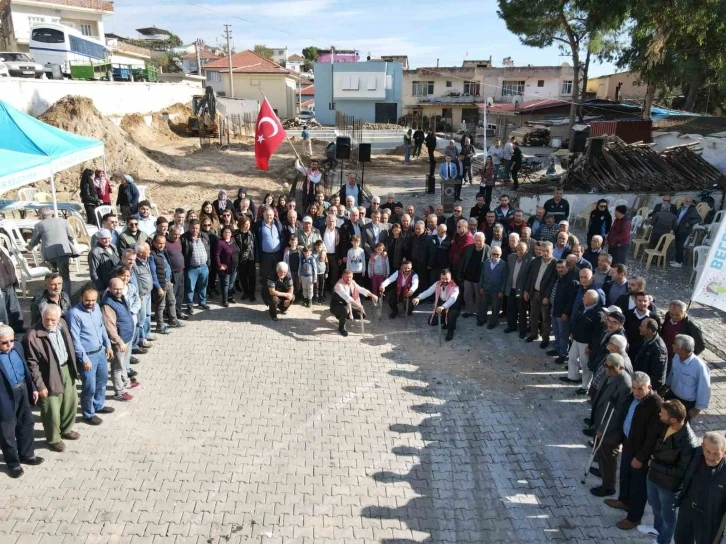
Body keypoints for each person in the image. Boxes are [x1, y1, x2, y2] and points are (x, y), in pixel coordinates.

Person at [607, 372, 663, 531]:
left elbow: (652, 437)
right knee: (625, 474)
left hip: (641, 453)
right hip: (627, 444)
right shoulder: (634, 397)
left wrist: (641, 457)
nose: (636, 392)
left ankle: (634, 517)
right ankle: (624, 500)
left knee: (639, 486)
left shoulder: (656, 405)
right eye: (634, 388)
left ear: (649, 387)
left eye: (640, 388)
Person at [639, 400, 699, 544]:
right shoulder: (665, 425)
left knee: (668, 518)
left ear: (673, 419)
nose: (659, 414)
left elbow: (680, 471)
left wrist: (653, 464)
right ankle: (657, 530)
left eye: (663, 413)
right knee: (655, 506)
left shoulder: (688, 442)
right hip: (653, 477)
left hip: (668, 486)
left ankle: (663, 541)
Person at [23, 304, 79, 453]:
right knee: (51, 410)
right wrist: (40, 386)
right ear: (41, 316)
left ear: (59, 318)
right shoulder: (32, 335)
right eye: (46, 319)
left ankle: (66, 430)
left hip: (66, 368)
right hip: (48, 374)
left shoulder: (62, 324)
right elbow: (32, 364)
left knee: (71, 402)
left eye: (53, 320)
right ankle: (53, 439)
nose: (49, 322)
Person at [67, 284, 114, 425]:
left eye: (93, 300)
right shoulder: (74, 313)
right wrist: (84, 359)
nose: (91, 303)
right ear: (81, 297)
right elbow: (75, 339)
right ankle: (88, 413)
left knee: (102, 380)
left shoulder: (97, 309)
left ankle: (98, 405)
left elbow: (102, 328)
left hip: (100, 352)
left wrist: (108, 345)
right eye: (88, 300)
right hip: (87, 356)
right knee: (89, 387)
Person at [588, 353, 633, 497]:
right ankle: (602, 470)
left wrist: (602, 428)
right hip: (600, 418)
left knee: (608, 455)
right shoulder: (609, 375)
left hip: (610, 428)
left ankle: (608, 486)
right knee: (600, 450)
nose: (607, 369)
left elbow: (618, 413)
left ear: (620, 368)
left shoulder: (624, 384)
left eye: (611, 367)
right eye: (606, 366)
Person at [0, 325, 42, 477]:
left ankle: (27, 454)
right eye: (4, 342)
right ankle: (13, 463)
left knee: (27, 422)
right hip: (4, 396)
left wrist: (33, 388)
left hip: (23, 389)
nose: (9, 345)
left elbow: (26, 369)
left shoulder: (17, 347)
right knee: (7, 432)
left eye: (11, 340)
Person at [674, 432, 726, 544]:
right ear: (702, 446)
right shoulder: (695, 454)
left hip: (708, 517)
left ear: (724, 452)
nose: (711, 457)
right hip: (687, 508)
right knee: (680, 539)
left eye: (716, 453)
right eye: (708, 451)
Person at [102, 278, 138, 402]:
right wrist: (119, 341)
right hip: (119, 341)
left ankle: (125, 383)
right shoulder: (107, 304)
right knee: (117, 367)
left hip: (126, 337)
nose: (118, 291)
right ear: (110, 289)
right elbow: (110, 327)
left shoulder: (121, 298)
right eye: (116, 289)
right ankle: (119, 392)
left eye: (120, 288)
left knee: (123, 364)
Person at [26, 207, 75, 297]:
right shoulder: (63, 221)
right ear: (52, 214)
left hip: (49, 254)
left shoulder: (39, 225)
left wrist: (28, 248)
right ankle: (67, 297)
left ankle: (54, 296)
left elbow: (34, 242)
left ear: (40, 215)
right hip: (63, 252)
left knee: (53, 277)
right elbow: (71, 237)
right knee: (65, 277)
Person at [663, 334, 710, 419]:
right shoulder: (677, 356)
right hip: (672, 396)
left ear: (682, 350)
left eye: (675, 344)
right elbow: (672, 372)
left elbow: (704, 389)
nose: (672, 345)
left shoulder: (699, 367)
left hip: (686, 403)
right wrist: (667, 385)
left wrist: (697, 408)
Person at [562, 289, 603, 386]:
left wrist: (591, 346)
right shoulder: (582, 306)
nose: (583, 298)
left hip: (586, 343)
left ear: (592, 301)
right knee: (572, 358)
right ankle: (573, 377)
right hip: (576, 339)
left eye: (585, 297)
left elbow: (596, 334)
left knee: (585, 365)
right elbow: (576, 321)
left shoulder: (597, 314)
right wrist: (572, 333)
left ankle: (585, 386)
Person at [412, 269, 460, 342]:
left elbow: (452, 299)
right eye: (442, 278)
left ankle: (451, 330)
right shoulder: (437, 284)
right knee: (431, 322)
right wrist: (418, 297)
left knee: (452, 315)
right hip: (442, 306)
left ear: (451, 278)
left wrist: (443, 307)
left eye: (447, 279)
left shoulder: (455, 287)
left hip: (453, 306)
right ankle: (445, 320)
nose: (444, 281)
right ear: (440, 278)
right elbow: (428, 291)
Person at [524, 241, 556, 348]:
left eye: (548, 251)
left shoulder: (555, 264)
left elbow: (552, 282)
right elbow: (530, 276)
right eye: (543, 250)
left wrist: (547, 297)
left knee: (545, 318)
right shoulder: (536, 260)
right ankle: (534, 334)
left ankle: (545, 338)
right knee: (533, 315)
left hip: (544, 296)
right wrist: (526, 290)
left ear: (552, 251)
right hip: (534, 293)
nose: (545, 253)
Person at [149, 234, 183, 332]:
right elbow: (153, 273)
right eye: (159, 243)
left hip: (168, 282)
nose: (162, 245)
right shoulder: (152, 255)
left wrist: (171, 280)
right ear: (154, 243)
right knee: (161, 306)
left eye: (163, 243)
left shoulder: (164, 252)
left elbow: (168, 267)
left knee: (172, 301)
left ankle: (173, 320)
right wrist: (158, 287)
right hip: (160, 284)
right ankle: (160, 326)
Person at [330, 269, 377, 336]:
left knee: (362, 314)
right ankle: (341, 327)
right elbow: (347, 297)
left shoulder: (352, 282)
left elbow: (361, 289)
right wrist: (358, 305)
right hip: (336, 305)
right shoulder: (339, 285)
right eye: (346, 277)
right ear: (342, 276)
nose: (349, 279)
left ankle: (345, 317)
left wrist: (372, 295)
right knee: (344, 310)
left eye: (350, 277)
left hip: (346, 304)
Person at [660, 300, 705, 370]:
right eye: (672, 314)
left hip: (676, 357)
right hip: (663, 352)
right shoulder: (668, 316)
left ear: (684, 312)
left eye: (677, 315)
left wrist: (686, 357)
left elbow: (700, 346)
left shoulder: (692, 326)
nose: (674, 317)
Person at [549, 259, 578, 363]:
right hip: (555, 309)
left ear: (567, 267)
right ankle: (557, 349)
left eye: (562, 267)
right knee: (556, 332)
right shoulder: (559, 277)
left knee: (563, 335)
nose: (560, 269)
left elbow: (571, 300)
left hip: (563, 313)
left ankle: (563, 354)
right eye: (558, 267)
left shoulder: (572, 281)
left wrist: (566, 312)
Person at [180, 220, 211, 315]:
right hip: (191, 268)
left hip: (204, 266)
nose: (195, 230)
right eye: (193, 228)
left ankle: (202, 302)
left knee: (203, 285)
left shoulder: (204, 236)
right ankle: (190, 304)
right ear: (189, 227)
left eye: (196, 228)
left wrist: (208, 263)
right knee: (190, 287)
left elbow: (208, 249)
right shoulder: (184, 238)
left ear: (199, 228)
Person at [504, 242, 533, 337]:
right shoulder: (511, 257)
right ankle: (511, 326)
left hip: (521, 290)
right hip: (511, 288)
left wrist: (526, 290)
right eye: (518, 249)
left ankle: (522, 329)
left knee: (522, 310)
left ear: (526, 250)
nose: (519, 251)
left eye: (522, 249)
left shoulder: (530, 259)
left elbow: (530, 277)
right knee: (511, 308)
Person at [624, 291, 661, 360]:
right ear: (635, 301)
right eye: (639, 300)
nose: (642, 303)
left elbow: (656, 336)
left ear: (649, 302)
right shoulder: (627, 314)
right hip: (628, 350)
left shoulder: (654, 318)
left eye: (645, 301)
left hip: (645, 354)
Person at [478, 246, 507, 329]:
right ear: (491, 254)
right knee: (483, 304)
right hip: (486, 288)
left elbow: (505, 278)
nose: (496, 256)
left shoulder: (503, 264)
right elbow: (482, 275)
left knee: (495, 306)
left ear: (500, 254)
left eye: (498, 254)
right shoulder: (486, 262)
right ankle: (482, 319)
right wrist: (481, 287)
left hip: (497, 290)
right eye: (494, 254)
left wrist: (502, 291)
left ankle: (493, 322)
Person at [671, 196, 701, 268]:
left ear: (691, 202)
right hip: (678, 229)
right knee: (677, 245)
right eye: (686, 201)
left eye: (689, 202)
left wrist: (690, 223)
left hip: (684, 230)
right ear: (684, 201)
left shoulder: (692, 209)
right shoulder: (681, 208)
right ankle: (676, 260)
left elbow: (699, 219)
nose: (687, 203)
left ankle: (679, 262)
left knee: (680, 246)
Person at [165, 226, 187, 320]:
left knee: (180, 293)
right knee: (171, 295)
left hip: (181, 271)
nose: (177, 236)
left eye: (178, 234)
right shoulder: (165, 243)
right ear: (169, 232)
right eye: (175, 234)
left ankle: (178, 311)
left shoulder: (179, 240)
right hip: (172, 273)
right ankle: (170, 314)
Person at [0, 249, 23, 333]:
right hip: (1, 290)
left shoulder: (3, 251)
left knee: (14, 309)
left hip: (10, 286)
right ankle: (4, 334)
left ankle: (18, 329)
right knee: (2, 315)